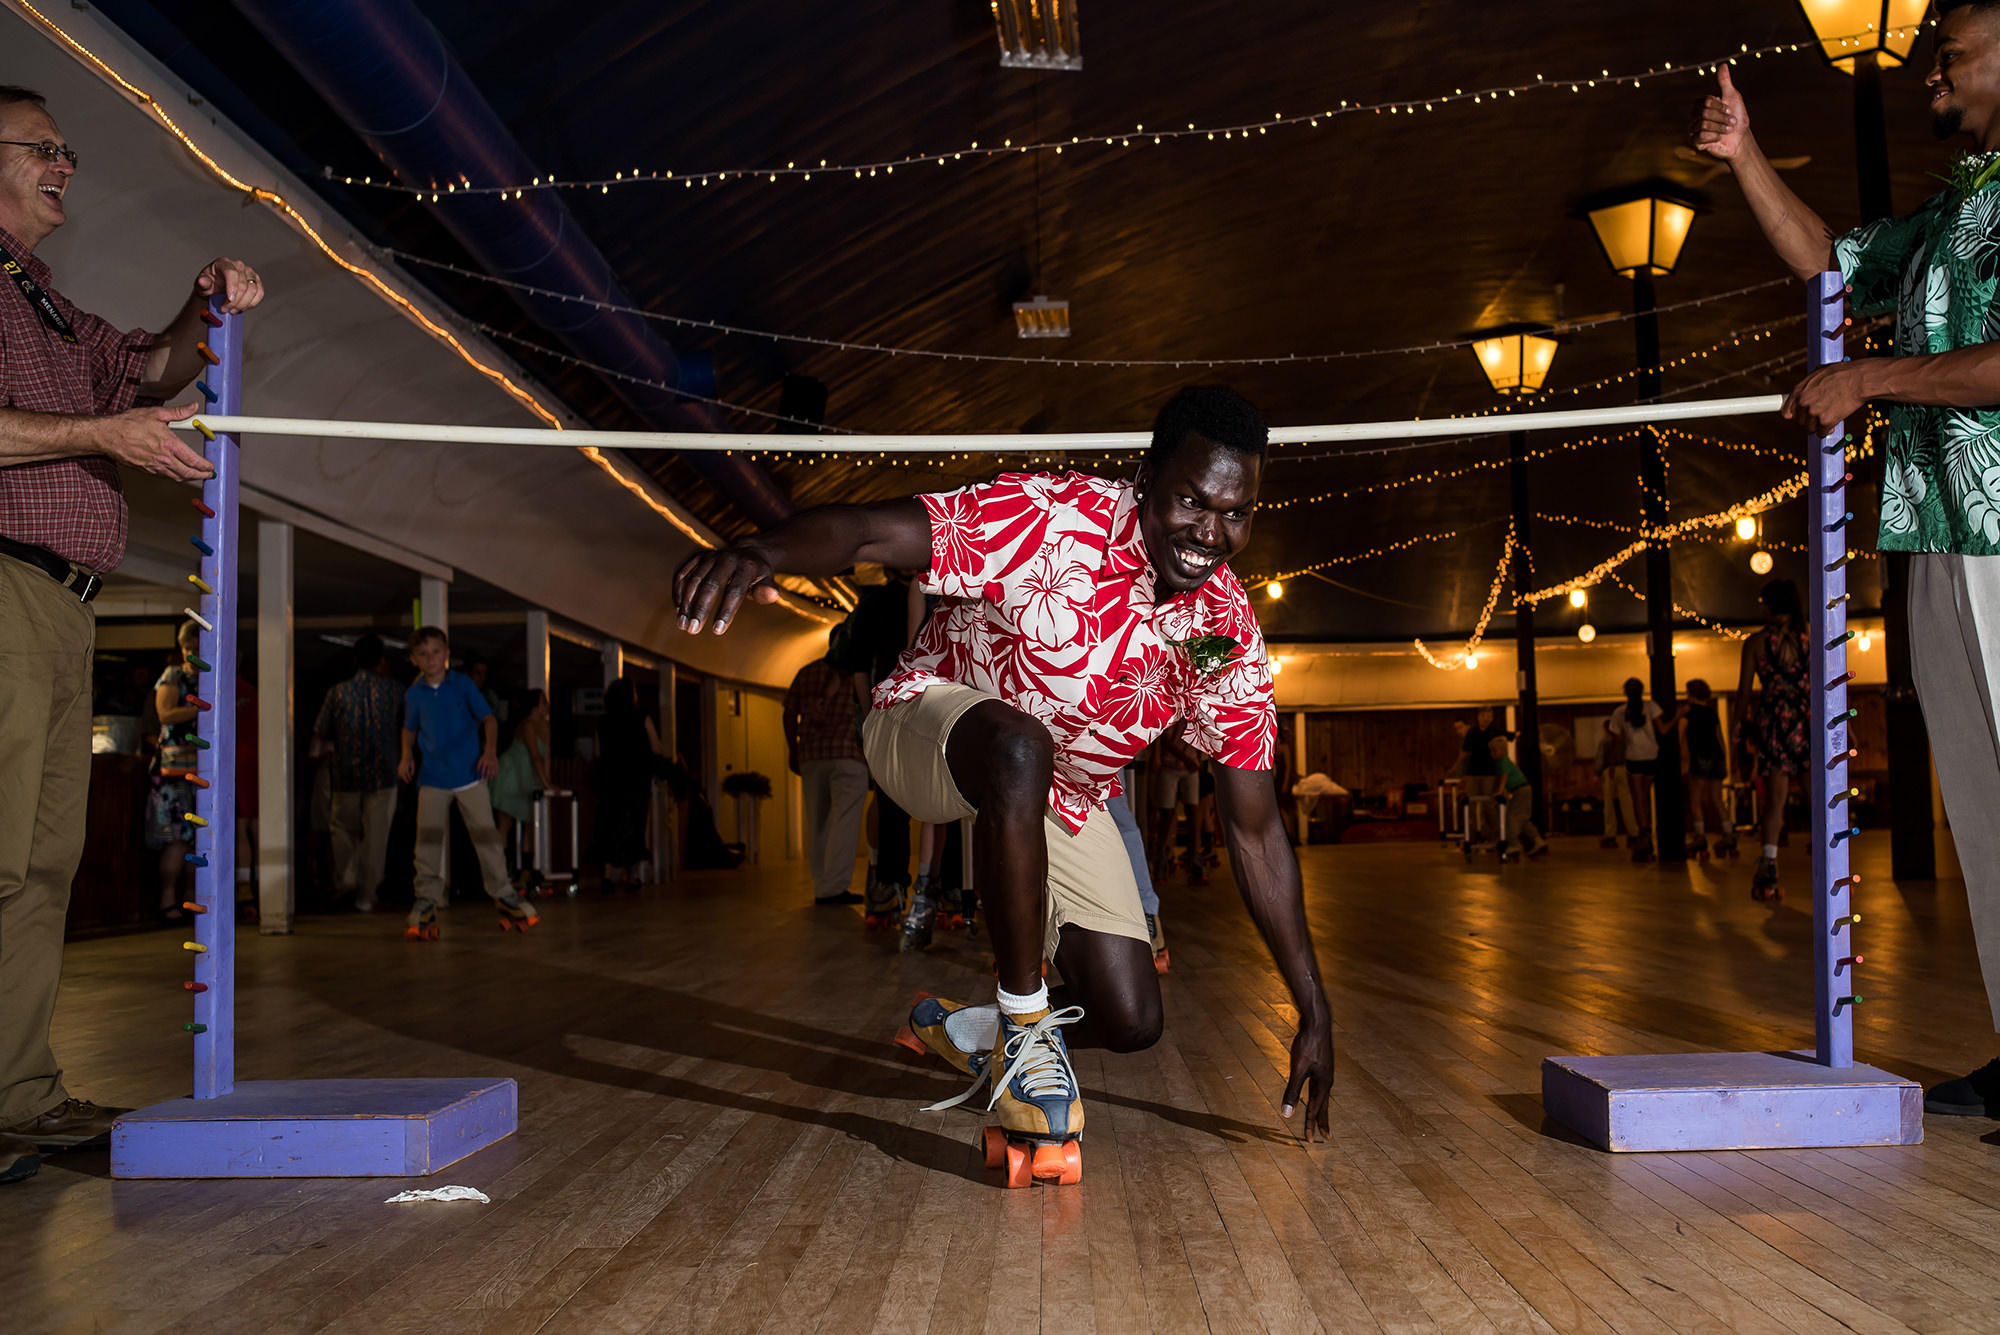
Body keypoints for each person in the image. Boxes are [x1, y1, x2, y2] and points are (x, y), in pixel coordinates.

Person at [673, 385, 1336, 1170]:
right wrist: (764, 552)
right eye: (1192, 501)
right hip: (927, 725)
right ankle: (1024, 1028)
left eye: (1237, 512)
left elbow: (1255, 828)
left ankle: (972, 1029)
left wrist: (1314, 1005)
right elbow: (869, 530)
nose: (1211, 533)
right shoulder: (1052, 519)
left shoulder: (1222, 633)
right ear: (1146, 476)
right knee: (1021, 744)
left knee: (1130, 1015)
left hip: (1063, 794)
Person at [1695, 1, 2000, 1115]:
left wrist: (1865, 379)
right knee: (1979, 805)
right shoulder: (1951, 210)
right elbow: (1826, 259)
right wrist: (1744, 157)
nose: (1930, 71)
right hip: (1935, 529)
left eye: (1950, 53)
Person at [0, 84, 265, 1183]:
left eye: (68, 151)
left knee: (40, 865)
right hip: (4, 584)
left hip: (60, 605)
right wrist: (102, 432)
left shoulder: (44, 300)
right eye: (41, 148)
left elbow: (151, 369)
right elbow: (107, 415)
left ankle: (16, 1096)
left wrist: (204, 305)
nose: (67, 165)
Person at [397, 626, 539, 938]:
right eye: (423, 654)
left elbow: (488, 720)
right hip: (433, 777)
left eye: (436, 652)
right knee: (428, 840)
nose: (430, 658)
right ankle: (426, 899)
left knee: (486, 837)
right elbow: (409, 728)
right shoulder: (414, 694)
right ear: (414, 659)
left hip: (469, 775)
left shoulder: (462, 685)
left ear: (447, 655)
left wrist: (489, 753)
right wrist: (406, 755)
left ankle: (503, 893)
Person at [312, 634, 401, 913]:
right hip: (384, 774)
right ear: (381, 660)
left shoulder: (338, 692)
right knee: (376, 836)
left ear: (354, 660)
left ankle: (346, 878)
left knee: (342, 829)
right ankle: (367, 895)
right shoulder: (395, 691)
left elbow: (320, 730)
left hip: (346, 774)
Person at [1733, 582, 1810, 901]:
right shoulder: (1810, 638)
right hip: (1806, 717)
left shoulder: (1755, 643)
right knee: (1813, 792)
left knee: (1775, 798)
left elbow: (1744, 691)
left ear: (1768, 605)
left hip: (1772, 719)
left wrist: (1738, 725)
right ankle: (1829, 854)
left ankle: (1769, 861)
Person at [785, 654, 869, 907]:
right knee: (844, 821)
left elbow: (789, 713)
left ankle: (822, 885)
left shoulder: (805, 671)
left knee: (817, 821)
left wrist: (793, 749)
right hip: (848, 755)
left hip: (812, 755)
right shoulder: (858, 671)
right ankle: (833, 887)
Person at [143, 621, 203, 924]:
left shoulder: (209, 678)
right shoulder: (173, 676)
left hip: (200, 772)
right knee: (175, 839)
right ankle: (168, 900)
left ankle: (193, 899)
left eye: (196, 649)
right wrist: (202, 710)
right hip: (173, 772)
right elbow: (165, 713)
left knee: (197, 841)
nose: (191, 654)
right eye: (187, 649)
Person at [589, 677, 661, 890]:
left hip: (610, 783)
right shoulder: (642, 717)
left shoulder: (603, 722)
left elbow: (597, 752)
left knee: (609, 827)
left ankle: (608, 875)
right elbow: (656, 747)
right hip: (636, 782)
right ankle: (631, 876)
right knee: (635, 827)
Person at [1604, 678, 1678, 862]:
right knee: (1645, 797)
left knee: (1637, 799)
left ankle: (1643, 834)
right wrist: (1679, 715)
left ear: (1625, 692)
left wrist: (1612, 764)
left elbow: (1616, 742)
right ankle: (1648, 832)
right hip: (1652, 756)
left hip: (1633, 758)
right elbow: (1663, 730)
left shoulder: (1620, 712)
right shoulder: (1651, 706)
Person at [490, 688, 554, 887]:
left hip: (527, 778)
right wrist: (546, 783)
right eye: (543, 702)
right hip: (511, 775)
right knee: (506, 824)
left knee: (530, 823)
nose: (547, 706)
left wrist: (547, 781)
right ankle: (502, 872)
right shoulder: (527, 725)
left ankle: (526, 871)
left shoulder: (545, 725)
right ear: (534, 707)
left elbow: (545, 757)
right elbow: (535, 756)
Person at [1681, 679, 1736, 859]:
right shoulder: (1712, 713)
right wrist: (1726, 762)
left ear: (1692, 694)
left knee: (1695, 798)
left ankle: (1700, 835)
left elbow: (1680, 736)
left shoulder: (1689, 712)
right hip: (1717, 758)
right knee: (1716, 798)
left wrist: (1684, 760)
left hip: (1700, 757)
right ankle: (1728, 833)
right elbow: (1720, 738)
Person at [1150, 721, 1208, 883]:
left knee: (1192, 812)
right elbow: (1166, 739)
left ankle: (1194, 855)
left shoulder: (1193, 706)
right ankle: (1161, 855)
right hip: (1171, 765)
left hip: (1189, 765)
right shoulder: (1174, 706)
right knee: (1167, 813)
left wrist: (1197, 758)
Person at [1451, 706, 1511, 845]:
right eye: (1484, 715)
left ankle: (1493, 836)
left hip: (1489, 774)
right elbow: (1465, 752)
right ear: (1478, 717)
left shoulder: (1496, 732)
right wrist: (1455, 767)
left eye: (1489, 715)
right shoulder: (1472, 733)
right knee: (1470, 805)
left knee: (1489, 806)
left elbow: (1510, 738)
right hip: (1473, 774)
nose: (1486, 718)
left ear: (1492, 718)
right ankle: (1470, 836)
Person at [1489, 736, 1547, 861]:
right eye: (1491, 751)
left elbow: (1504, 777)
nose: (1492, 754)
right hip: (1522, 790)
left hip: (1521, 789)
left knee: (1512, 817)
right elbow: (1497, 779)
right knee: (1523, 818)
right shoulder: (1499, 763)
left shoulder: (1503, 760)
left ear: (1502, 750)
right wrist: (1493, 792)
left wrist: (1499, 792)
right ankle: (1538, 840)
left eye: (1494, 751)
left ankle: (1514, 845)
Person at [1593, 723, 1639, 850]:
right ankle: (1633, 832)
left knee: (1609, 804)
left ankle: (1610, 834)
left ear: (1605, 729)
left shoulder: (1605, 741)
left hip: (1609, 771)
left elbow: (1600, 758)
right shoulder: (1624, 741)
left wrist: (1597, 773)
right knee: (1627, 802)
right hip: (1624, 770)